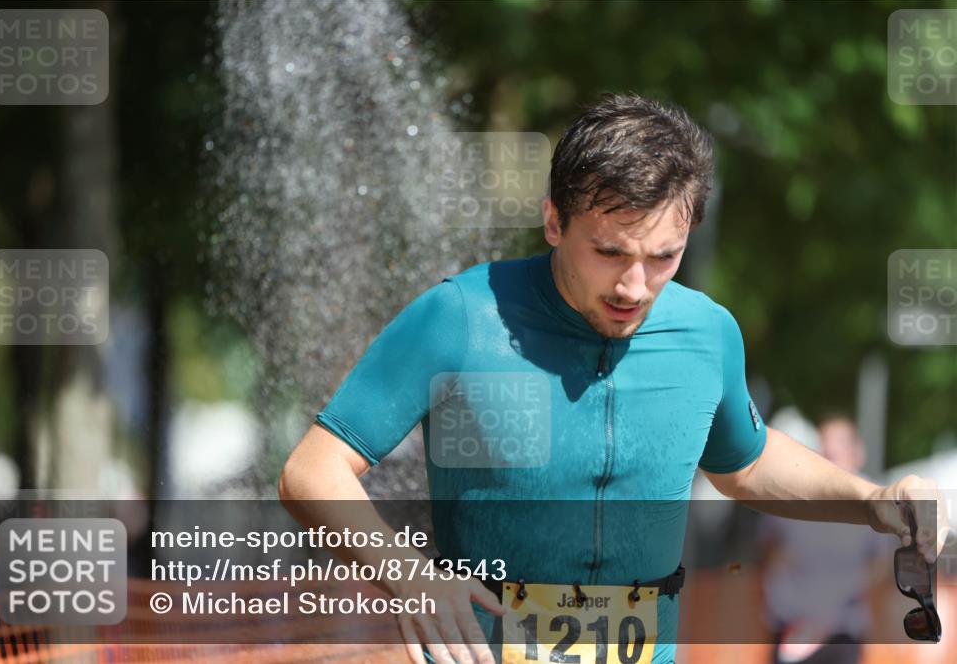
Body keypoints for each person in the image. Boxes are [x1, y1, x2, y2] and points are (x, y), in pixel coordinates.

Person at [278, 93, 950, 664]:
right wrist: (408, 576)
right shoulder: (457, 316)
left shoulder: (708, 331)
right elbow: (312, 470)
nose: (635, 285)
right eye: (609, 252)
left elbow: (743, 462)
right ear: (553, 220)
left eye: (664, 257)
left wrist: (873, 499)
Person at [758, 414, 896, 664]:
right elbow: (768, 548)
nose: (830, 450)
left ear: (857, 452)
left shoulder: (873, 501)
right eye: (824, 443)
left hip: (841, 632)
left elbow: (883, 564)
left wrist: (844, 595)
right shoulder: (793, 495)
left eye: (839, 444)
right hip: (792, 629)